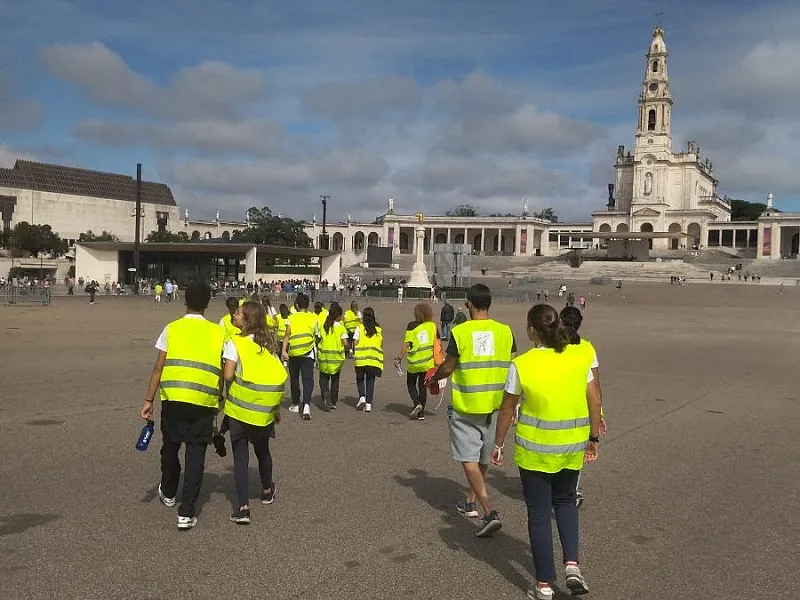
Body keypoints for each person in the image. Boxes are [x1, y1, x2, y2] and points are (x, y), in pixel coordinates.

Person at [491, 304, 601, 599]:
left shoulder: (523, 364)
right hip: (571, 446)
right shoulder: (577, 359)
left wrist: (498, 445)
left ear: (531, 330)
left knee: (539, 513)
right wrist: (593, 437)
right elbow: (594, 397)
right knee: (565, 503)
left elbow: (506, 410)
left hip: (535, 450)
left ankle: (543, 584)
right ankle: (572, 566)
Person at [426, 283, 515, 537]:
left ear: (468, 303)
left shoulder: (461, 331)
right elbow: (513, 365)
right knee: (482, 459)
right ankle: (470, 501)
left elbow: (448, 366)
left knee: (469, 461)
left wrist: (434, 378)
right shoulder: (505, 331)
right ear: (489, 303)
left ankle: (489, 511)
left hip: (467, 405)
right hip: (495, 404)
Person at [140, 282, 225, 530]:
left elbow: (158, 366)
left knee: (170, 445)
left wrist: (148, 400)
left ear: (185, 301)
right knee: (196, 452)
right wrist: (220, 401)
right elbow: (224, 370)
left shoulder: (172, 328)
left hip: (173, 397)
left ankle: (168, 489)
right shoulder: (219, 333)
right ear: (208, 304)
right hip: (203, 400)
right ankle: (186, 512)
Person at [222, 301, 286, 525]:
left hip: (240, 410)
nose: (234, 315)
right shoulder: (268, 345)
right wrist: (275, 409)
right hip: (262, 411)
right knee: (262, 451)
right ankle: (267, 488)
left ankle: (243, 508)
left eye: (238, 313)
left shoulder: (235, 343)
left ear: (247, 319)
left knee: (240, 458)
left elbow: (228, 375)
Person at [560, 307, 607, 508]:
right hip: (583, 406)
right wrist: (599, 412)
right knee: (577, 451)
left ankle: (562, 489)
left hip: (561, 402)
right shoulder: (587, 348)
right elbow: (596, 385)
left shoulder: (556, 347)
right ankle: (571, 489)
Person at [395, 303, 438, 421]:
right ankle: (421, 413)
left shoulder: (412, 326)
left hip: (414, 362)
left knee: (411, 384)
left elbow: (406, 344)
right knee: (422, 386)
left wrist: (399, 358)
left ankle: (417, 403)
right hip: (427, 361)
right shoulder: (432, 326)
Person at [281, 293, 318, 421]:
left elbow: (286, 335)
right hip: (308, 353)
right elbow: (317, 334)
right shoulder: (313, 318)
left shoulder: (291, 318)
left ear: (296, 305)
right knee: (308, 380)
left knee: (295, 379)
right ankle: (306, 404)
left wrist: (283, 350)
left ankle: (296, 403)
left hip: (294, 352)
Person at [317, 302, 349, 410]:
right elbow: (345, 343)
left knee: (323, 379)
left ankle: (326, 395)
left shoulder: (323, 326)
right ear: (339, 316)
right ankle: (333, 401)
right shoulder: (340, 328)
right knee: (335, 381)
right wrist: (347, 349)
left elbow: (318, 339)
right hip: (336, 359)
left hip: (324, 357)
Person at [353, 307, 383, 412]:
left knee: (360, 379)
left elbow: (355, 342)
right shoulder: (378, 330)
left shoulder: (359, 328)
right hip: (373, 360)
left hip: (360, 359)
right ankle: (369, 404)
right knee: (370, 381)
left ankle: (362, 397)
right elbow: (381, 344)